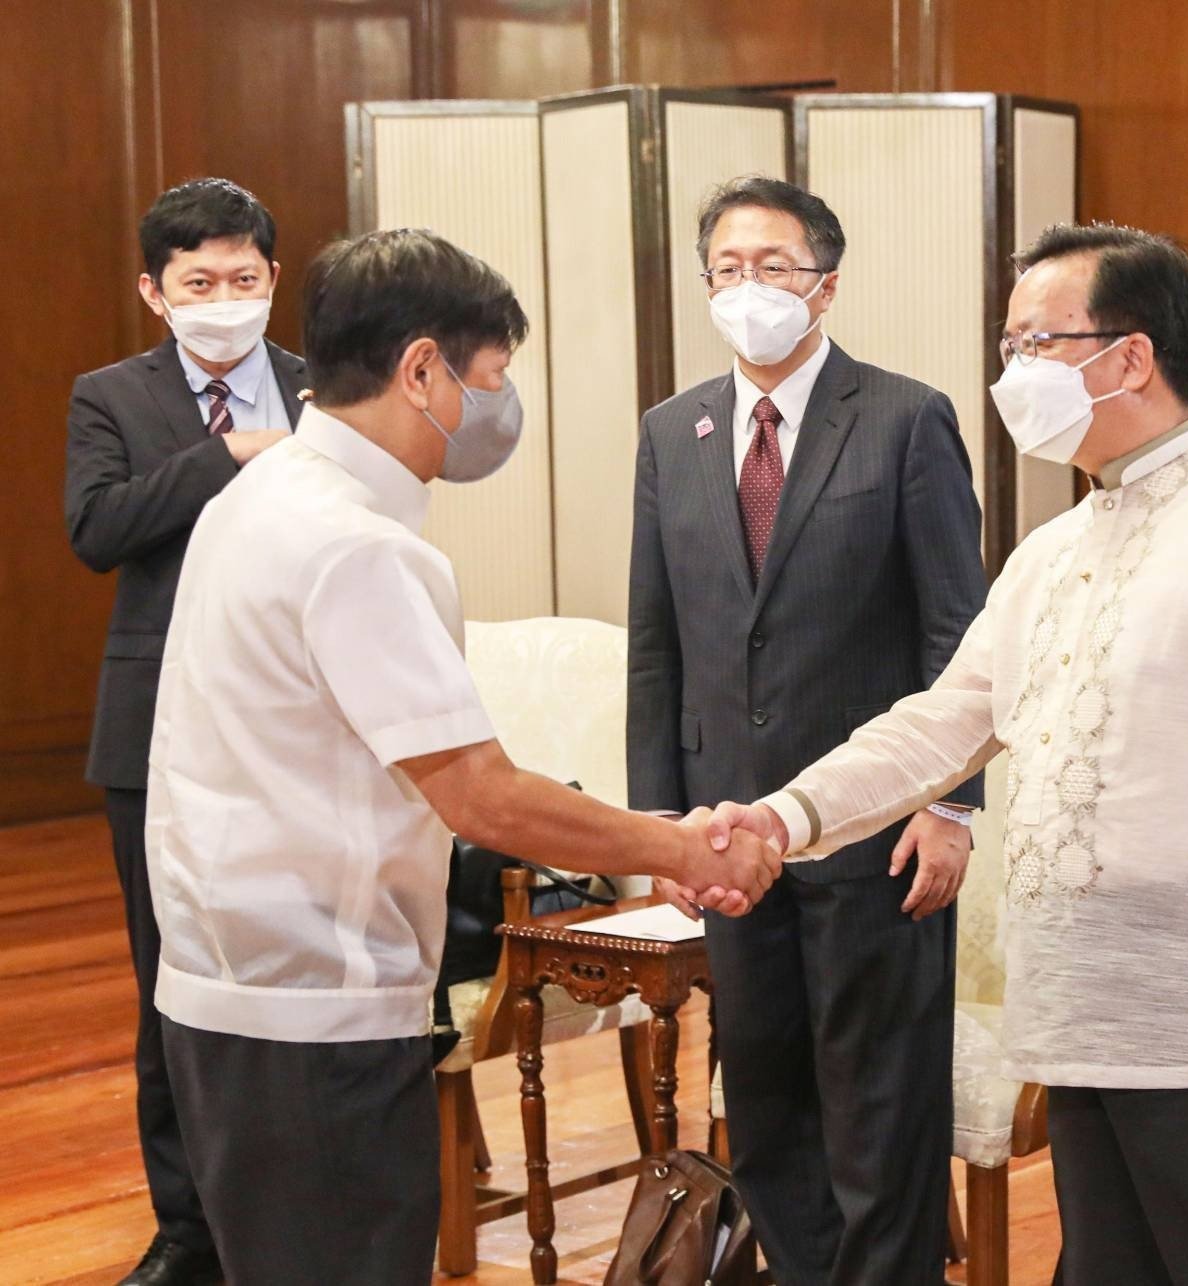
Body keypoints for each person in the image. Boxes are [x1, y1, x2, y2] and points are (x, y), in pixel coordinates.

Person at [710, 223, 1188, 1285]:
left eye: (1037, 343)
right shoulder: (1055, 547)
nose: (1014, 371)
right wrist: (783, 817)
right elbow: (943, 721)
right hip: (1079, 1004)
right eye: (1009, 344)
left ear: (1131, 357)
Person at [145, 228, 780, 1286]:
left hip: (228, 990)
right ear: (422, 370)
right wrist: (676, 847)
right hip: (319, 1011)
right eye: (491, 376)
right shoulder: (358, 545)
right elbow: (480, 796)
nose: (497, 403)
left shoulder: (258, 494)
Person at [627, 176, 987, 1284]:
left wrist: (952, 804)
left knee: (880, 1111)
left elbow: (957, 629)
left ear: (824, 286)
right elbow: (655, 640)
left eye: (774, 266)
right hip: (727, 834)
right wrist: (657, 825)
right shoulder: (671, 430)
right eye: (728, 268)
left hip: (875, 829)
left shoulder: (905, 417)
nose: (750, 287)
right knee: (768, 1102)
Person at [64, 177, 305, 1286]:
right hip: (154, 730)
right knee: (172, 983)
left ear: (273, 278)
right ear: (153, 292)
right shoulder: (110, 394)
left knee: (292, 974)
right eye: (198, 282)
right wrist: (228, 455)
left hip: (294, 726)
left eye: (242, 278)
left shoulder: (323, 386)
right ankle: (189, 1231)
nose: (223, 299)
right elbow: (97, 529)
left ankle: (290, 1209)